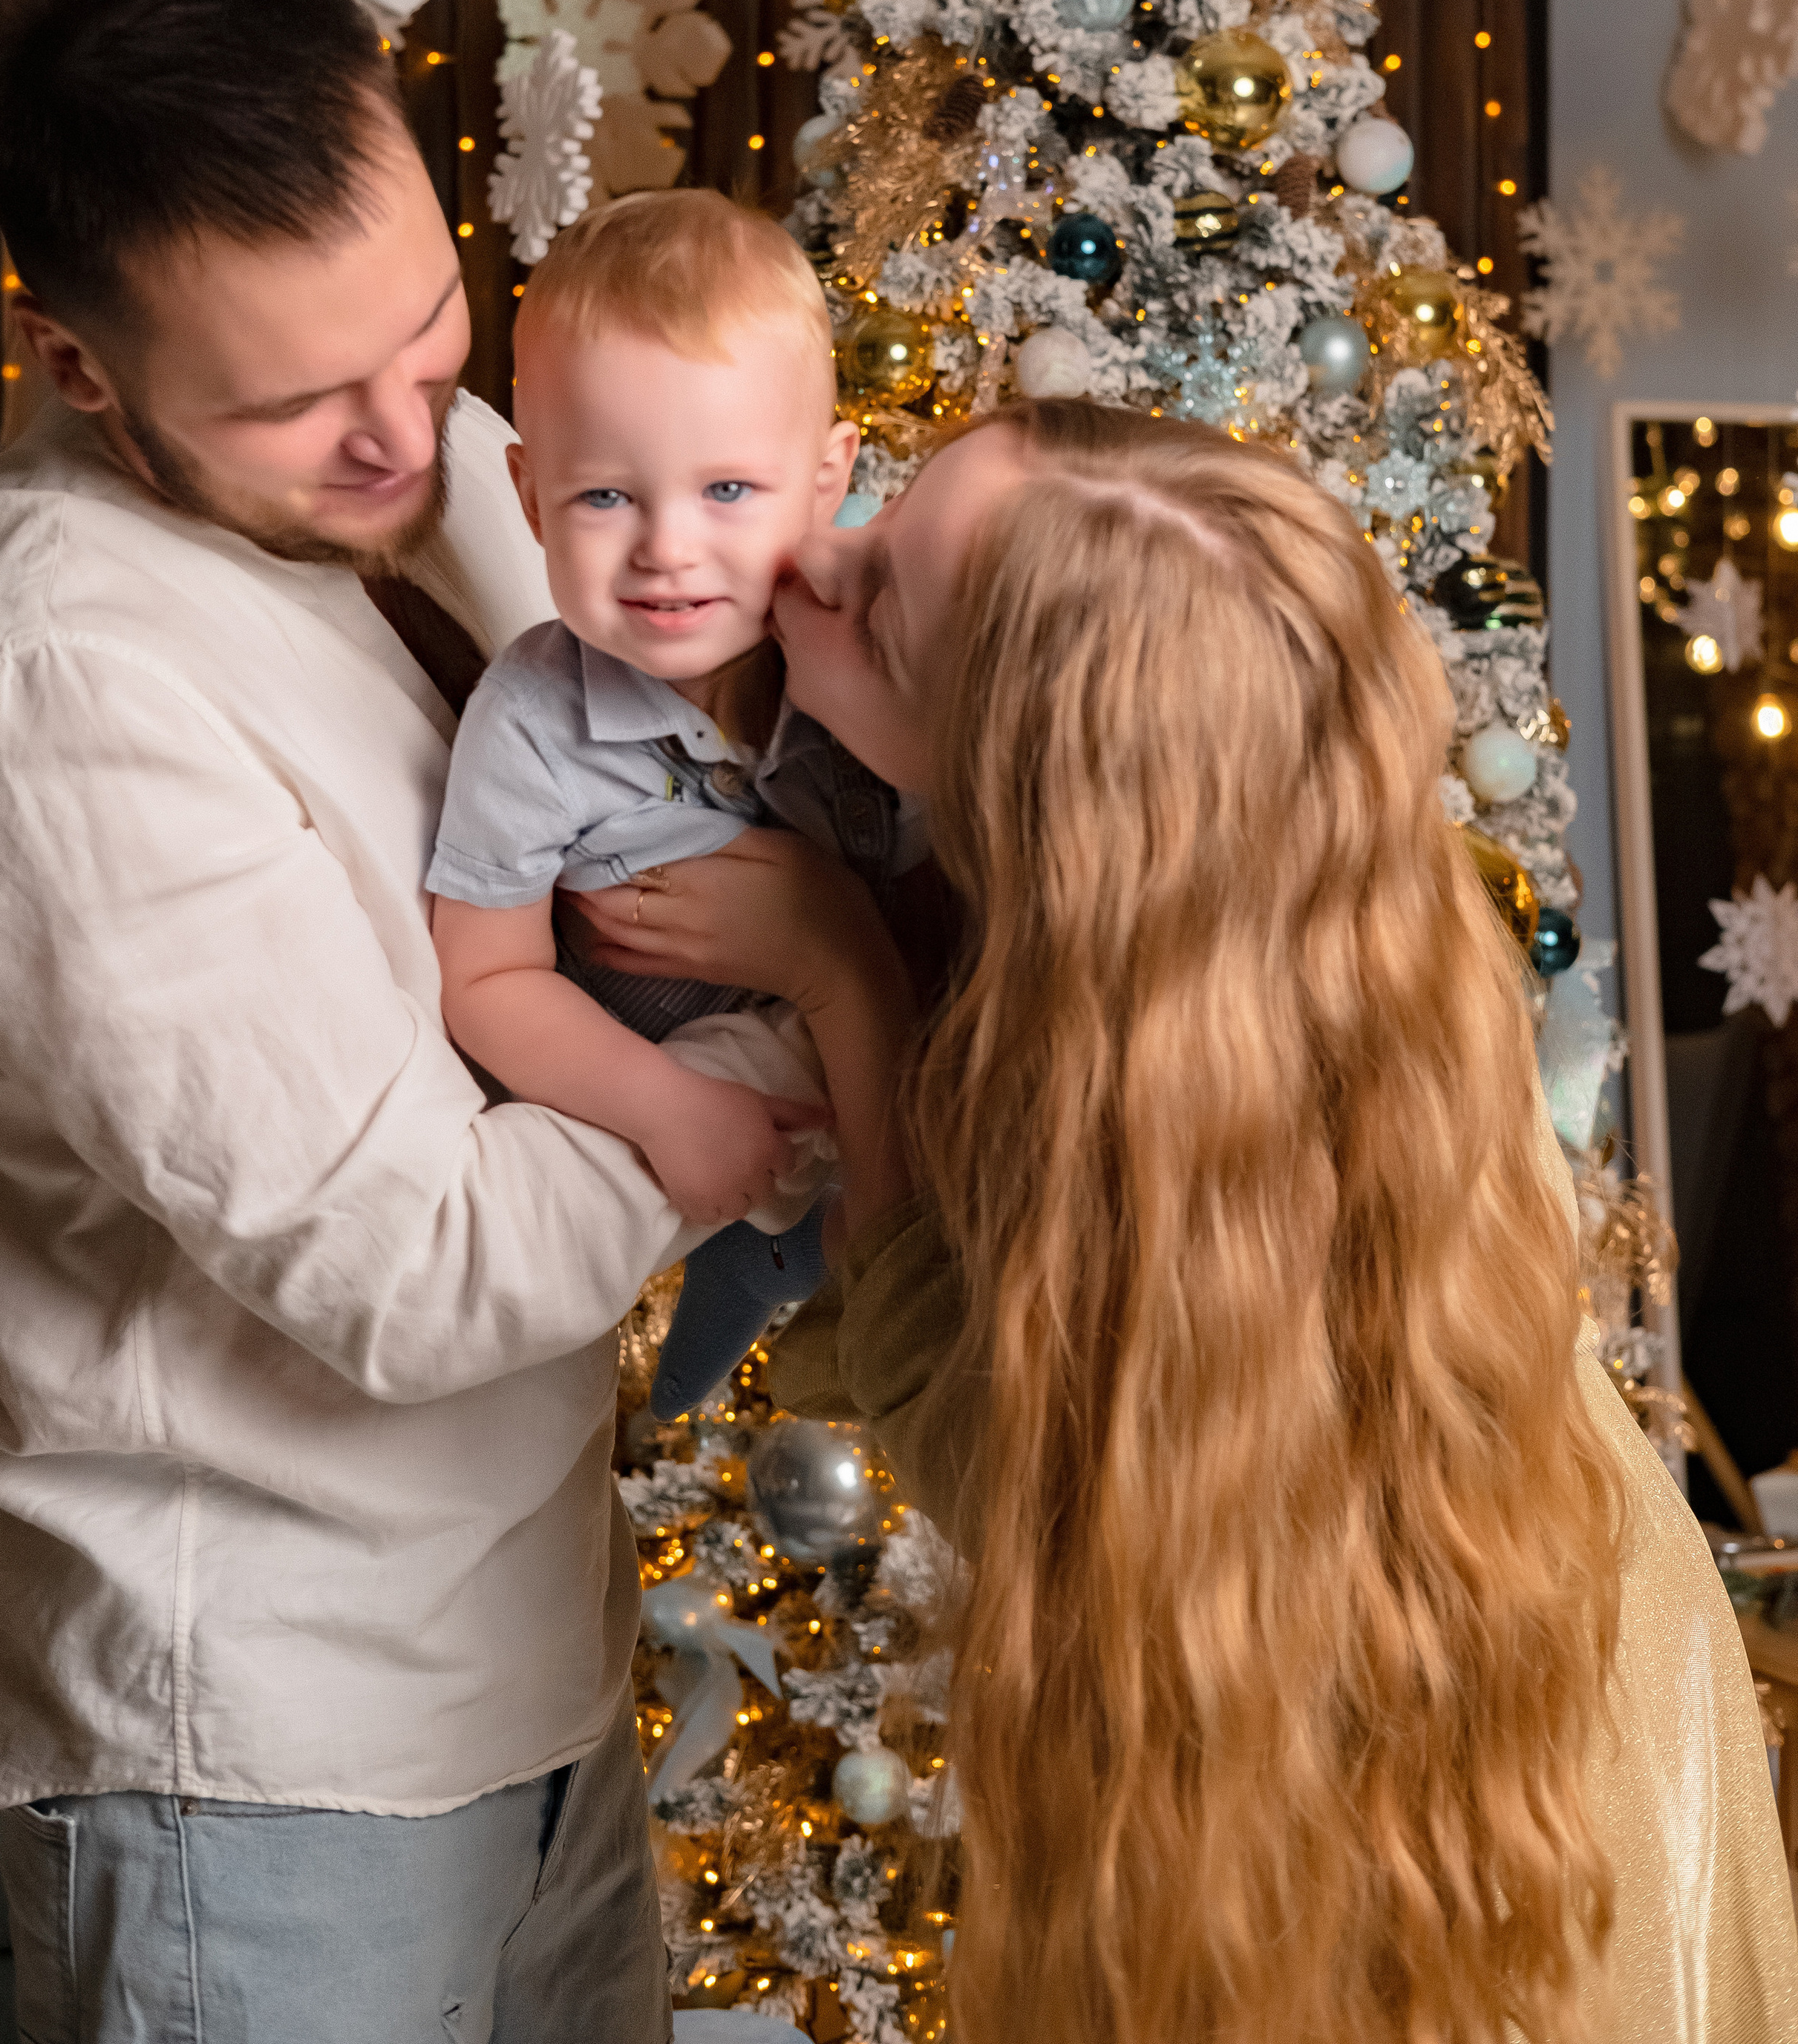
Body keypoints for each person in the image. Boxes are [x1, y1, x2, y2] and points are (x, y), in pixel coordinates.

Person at [571, 399, 1798, 2044]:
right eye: (883, 518)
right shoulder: (1294, 862)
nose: (809, 563)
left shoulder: (1171, 1108)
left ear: (1038, 789)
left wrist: (842, 978)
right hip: (1537, 1620)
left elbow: (984, 1437)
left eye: (882, 612)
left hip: (1449, 1784)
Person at [0, 0, 800, 2043]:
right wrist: (794, 1032)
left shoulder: (459, 454)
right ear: (75, 364)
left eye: (421, 328)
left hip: (536, 1667)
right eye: (298, 402)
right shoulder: (54, 676)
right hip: (263, 1760)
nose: (407, 437)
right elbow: (415, 1269)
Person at [431, 189, 919, 1418]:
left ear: (828, 480)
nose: (667, 549)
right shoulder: (533, 718)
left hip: (887, 1081)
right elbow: (483, 979)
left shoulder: (872, 655)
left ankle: (801, 1276)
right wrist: (671, 1111)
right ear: (529, 497)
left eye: (728, 491)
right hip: (679, 1073)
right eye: (606, 497)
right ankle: (743, 1277)